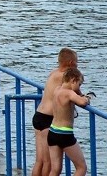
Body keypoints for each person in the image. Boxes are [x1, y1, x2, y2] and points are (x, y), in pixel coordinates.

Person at [31, 48, 79, 176]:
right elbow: (75, 91)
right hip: (48, 119)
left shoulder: (53, 73)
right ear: (70, 63)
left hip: (39, 115)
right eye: (76, 62)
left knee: (39, 161)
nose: (78, 65)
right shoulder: (64, 77)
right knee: (48, 163)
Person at [48, 67, 91, 176]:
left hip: (52, 132)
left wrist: (77, 90)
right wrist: (86, 98)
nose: (79, 88)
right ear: (73, 80)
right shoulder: (69, 93)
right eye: (79, 84)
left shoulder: (57, 89)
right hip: (65, 134)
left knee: (55, 169)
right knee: (81, 167)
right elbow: (82, 102)